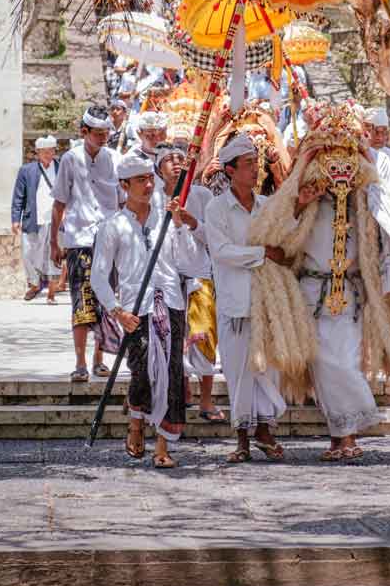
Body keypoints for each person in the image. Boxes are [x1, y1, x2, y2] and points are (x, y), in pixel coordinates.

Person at [248, 100, 390, 461]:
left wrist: (365, 157)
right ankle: (342, 437)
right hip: (312, 292)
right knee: (324, 363)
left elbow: (388, 215)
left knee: (346, 360)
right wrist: (299, 194)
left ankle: (345, 438)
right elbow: (277, 238)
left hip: (352, 294)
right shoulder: (304, 201)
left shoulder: (365, 202)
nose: (338, 168)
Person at [91, 151, 193, 468]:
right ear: (124, 185)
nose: (148, 185)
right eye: (140, 180)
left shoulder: (167, 217)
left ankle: (163, 446)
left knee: (173, 375)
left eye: (150, 178)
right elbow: (98, 277)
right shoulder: (112, 226)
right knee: (143, 374)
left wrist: (179, 226)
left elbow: (188, 261)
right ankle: (136, 424)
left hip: (171, 303)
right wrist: (118, 311)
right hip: (136, 310)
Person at [205, 134, 287, 462]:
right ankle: (242, 437)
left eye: (256, 163)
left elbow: (282, 240)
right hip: (234, 301)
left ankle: (265, 430)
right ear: (230, 169)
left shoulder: (266, 206)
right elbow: (222, 251)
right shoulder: (216, 208)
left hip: (266, 300)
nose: (255, 170)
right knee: (238, 369)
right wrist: (262, 253)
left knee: (268, 368)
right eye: (249, 164)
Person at [153, 143, 224, 423]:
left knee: (204, 336)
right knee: (171, 340)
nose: (175, 163)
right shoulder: (153, 199)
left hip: (199, 274)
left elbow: (215, 239)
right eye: (168, 160)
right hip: (166, 278)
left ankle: (206, 401)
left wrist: (193, 223)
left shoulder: (203, 196)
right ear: (159, 170)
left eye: (180, 158)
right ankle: (179, 396)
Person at [50, 105, 120, 382]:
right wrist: (55, 243)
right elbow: (59, 202)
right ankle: (80, 362)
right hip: (79, 240)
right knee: (81, 303)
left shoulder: (115, 159)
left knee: (107, 302)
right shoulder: (70, 159)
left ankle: (98, 359)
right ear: (84, 132)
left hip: (109, 239)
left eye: (106, 133)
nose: (103, 138)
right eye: (98, 133)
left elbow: (123, 199)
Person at [11, 135, 62, 303]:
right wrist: (15, 218)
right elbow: (19, 196)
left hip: (56, 220)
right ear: (37, 153)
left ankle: (51, 294)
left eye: (51, 151)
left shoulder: (61, 167)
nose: (48, 154)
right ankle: (34, 284)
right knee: (28, 254)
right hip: (33, 219)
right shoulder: (26, 170)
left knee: (53, 256)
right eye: (44, 151)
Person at [366, 106, 390, 206]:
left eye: (384, 133)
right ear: (367, 132)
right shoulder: (360, 155)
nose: (380, 137)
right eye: (376, 133)